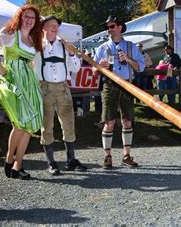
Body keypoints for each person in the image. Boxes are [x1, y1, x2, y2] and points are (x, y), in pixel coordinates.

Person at [0, 4, 44, 180]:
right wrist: (1, 68)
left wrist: (35, 82)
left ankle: (18, 165)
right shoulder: (10, 33)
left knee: (28, 126)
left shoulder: (33, 40)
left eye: (32, 17)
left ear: (36, 21)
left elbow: (32, 63)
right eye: (26, 16)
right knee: (19, 123)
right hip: (12, 81)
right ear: (20, 17)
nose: (29, 20)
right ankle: (9, 158)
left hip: (29, 82)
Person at [33, 15, 87, 175]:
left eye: (56, 24)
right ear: (43, 27)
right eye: (50, 24)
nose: (54, 26)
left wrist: (71, 54)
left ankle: (71, 160)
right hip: (44, 89)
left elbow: (76, 68)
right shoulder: (36, 46)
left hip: (63, 89)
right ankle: (51, 163)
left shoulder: (64, 46)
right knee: (46, 126)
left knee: (69, 124)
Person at [93, 16, 145, 169]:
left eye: (112, 26)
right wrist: (99, 67)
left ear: (120, 27)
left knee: (127, 121)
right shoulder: (102, 48)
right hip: (109, 85)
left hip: (127, 85)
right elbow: (94, 72)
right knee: (109, 122)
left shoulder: (131, 46)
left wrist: (128, 59)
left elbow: (140, 67)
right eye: (107, 27)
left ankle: (126, 156)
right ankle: (107, 156)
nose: (109, 30)